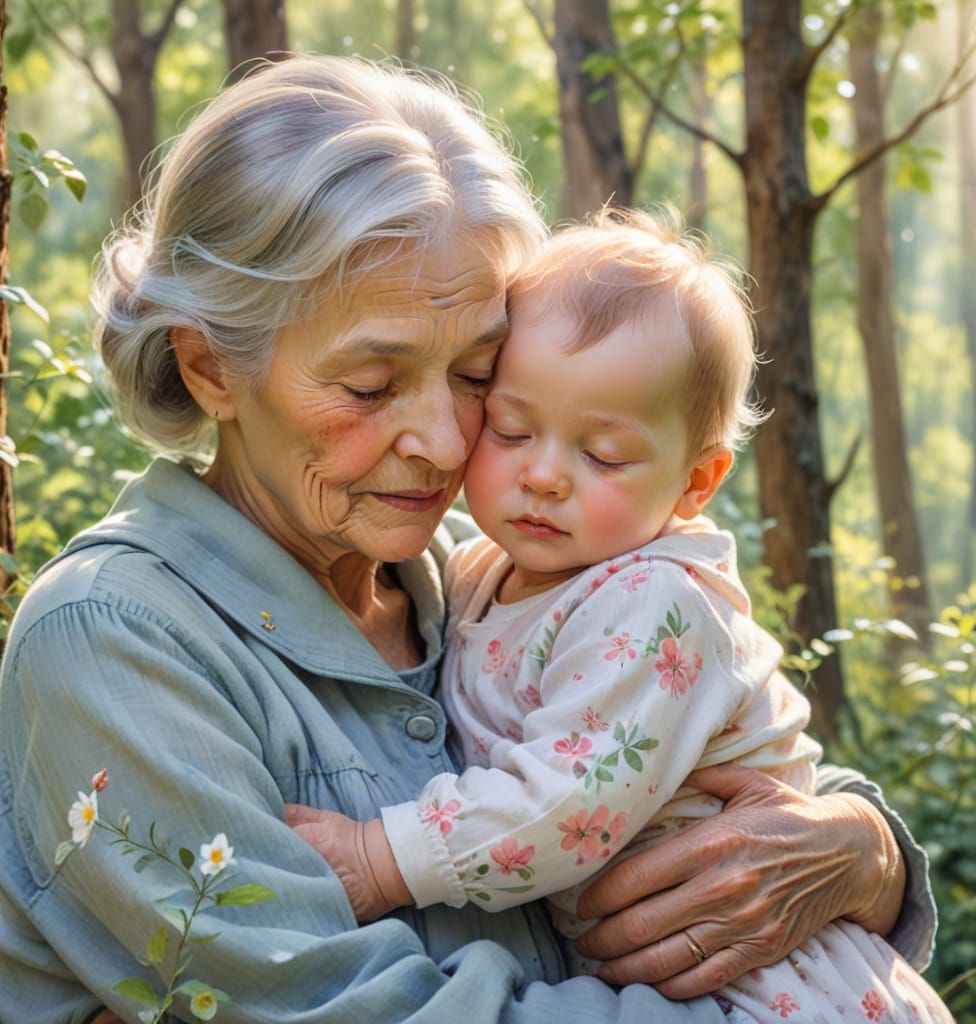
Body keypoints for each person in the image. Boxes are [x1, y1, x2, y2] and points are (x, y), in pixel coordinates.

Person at [0, 56, 935, 1024]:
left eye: (479, 374)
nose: (444, 443)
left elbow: (715, 743)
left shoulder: (471, 573)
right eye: (368, 386)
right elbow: (352, 1008)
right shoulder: (115, 638)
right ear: (210, 367)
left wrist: (866, 851)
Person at [285, 211, 950, 1023]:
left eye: (601, 455)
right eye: (512, 427)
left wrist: (378, 860)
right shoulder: (479, 568)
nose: (544, 476)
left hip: (776, 985)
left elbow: (567, 804)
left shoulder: (652, 604)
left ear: (695, 483)